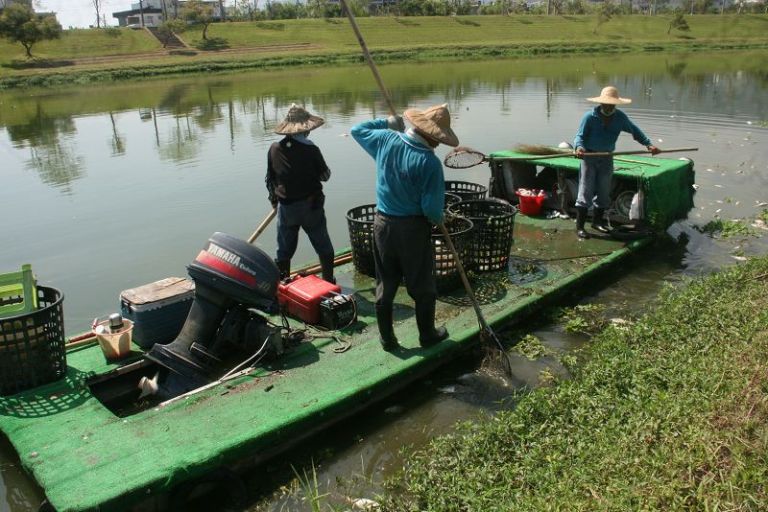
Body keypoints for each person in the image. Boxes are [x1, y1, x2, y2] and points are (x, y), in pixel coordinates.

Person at [351, 104, 459, 352]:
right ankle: (427, 335)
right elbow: (431, 209)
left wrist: (387, 123)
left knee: (385, 283)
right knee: (422, 286)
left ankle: (387, 339)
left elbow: (357, 130)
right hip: (412, 229)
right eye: (439, 139)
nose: (440, 144)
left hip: (382, 225)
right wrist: (440, 219)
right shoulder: (429, 163)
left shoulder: (386, 140)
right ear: (430, 135)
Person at [572, 86, 660, 239]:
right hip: (589, 157)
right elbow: (579, 137)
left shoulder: (620, 118)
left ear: (615, 104)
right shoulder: (589, 117)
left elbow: (635, 131)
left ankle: (597, 222)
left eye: (612, 104)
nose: (609, 107)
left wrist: (648, 144)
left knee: (604, 191)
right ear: (601, 103)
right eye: (606, 104)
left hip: (607, 158)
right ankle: (580, 227)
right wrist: (579, 148)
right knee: (585, 191)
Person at [266, 104, 335, 283]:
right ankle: (328, 281)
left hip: (286, 208)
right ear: (307, 129)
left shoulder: (274, 148)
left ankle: (283, 284)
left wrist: (275, 202)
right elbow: (325, 176)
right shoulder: (311, 149)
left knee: (284, 250)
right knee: (323, 245)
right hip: (310, 207)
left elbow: (271, 178)